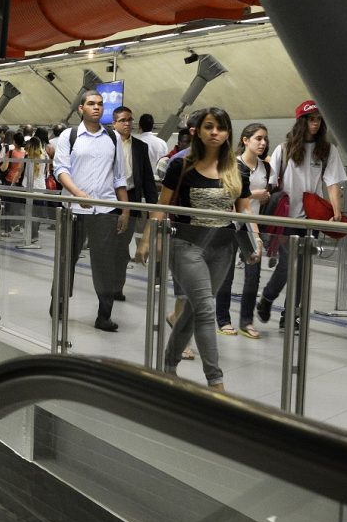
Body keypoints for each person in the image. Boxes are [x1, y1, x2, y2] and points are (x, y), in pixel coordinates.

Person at [136, 107, 258, 391]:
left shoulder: (237, 169)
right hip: (185, 245)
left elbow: (244, 209)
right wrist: (146, 238)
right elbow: (162, 205)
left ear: (228, 133)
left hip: (222, 248)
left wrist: (256, 239)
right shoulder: (182, 165)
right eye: (209, 127)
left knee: (192, 309)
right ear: (199, 132)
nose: (214, 132)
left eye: (220, 128)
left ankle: (168, 364)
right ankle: (216, 382)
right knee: (205, 310)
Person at [258, 100, 347, 330]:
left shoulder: (327, 151)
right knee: (289, 265)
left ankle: (290, 315)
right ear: (301, 121)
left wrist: (336, 211)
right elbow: (272, 182)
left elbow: (333, 183)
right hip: (286, 216)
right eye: (310, 119)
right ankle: (268, 297)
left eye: (318, 119)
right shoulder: (284, 149)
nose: (315, 124)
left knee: (303, 268)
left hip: (310, 218)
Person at [52, 90, 130, 331]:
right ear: (81, 109)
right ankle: (59, 303)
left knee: (105, 264)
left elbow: (119, 176)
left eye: (100, 104)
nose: (96, 107)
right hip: (73, 210)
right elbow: (60, 169)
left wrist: (125, 209)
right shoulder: (69, 136)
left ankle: (104, 315)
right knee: (67, 258)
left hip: (105, 210)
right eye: (91, 104)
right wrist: (77, 193)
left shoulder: (112, 137)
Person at [216, 123, 271, 339]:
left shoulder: (265, 167)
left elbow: (267, 196)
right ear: (245, 140)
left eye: (265, 139)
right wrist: (254, 195)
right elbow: (235, 197)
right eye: (258, 138)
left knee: (253, 274)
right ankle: (223, 319)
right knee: (226, 274)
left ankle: (246, 321)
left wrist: (258, 233)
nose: (263, 143)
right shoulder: (232, 165)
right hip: (231, 225)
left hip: (251, 225)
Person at [110, 106, 159, 302]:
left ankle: (117, 287)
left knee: (122, 247)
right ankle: (106, 284)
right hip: (109, 199)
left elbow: (147, 177)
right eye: (122, 120)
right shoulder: (107, 143)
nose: (127, 123)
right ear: (114, 123)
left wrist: (155, 204)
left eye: (130, 120)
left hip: (131, 198)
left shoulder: (140, 147)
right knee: (108, 246)